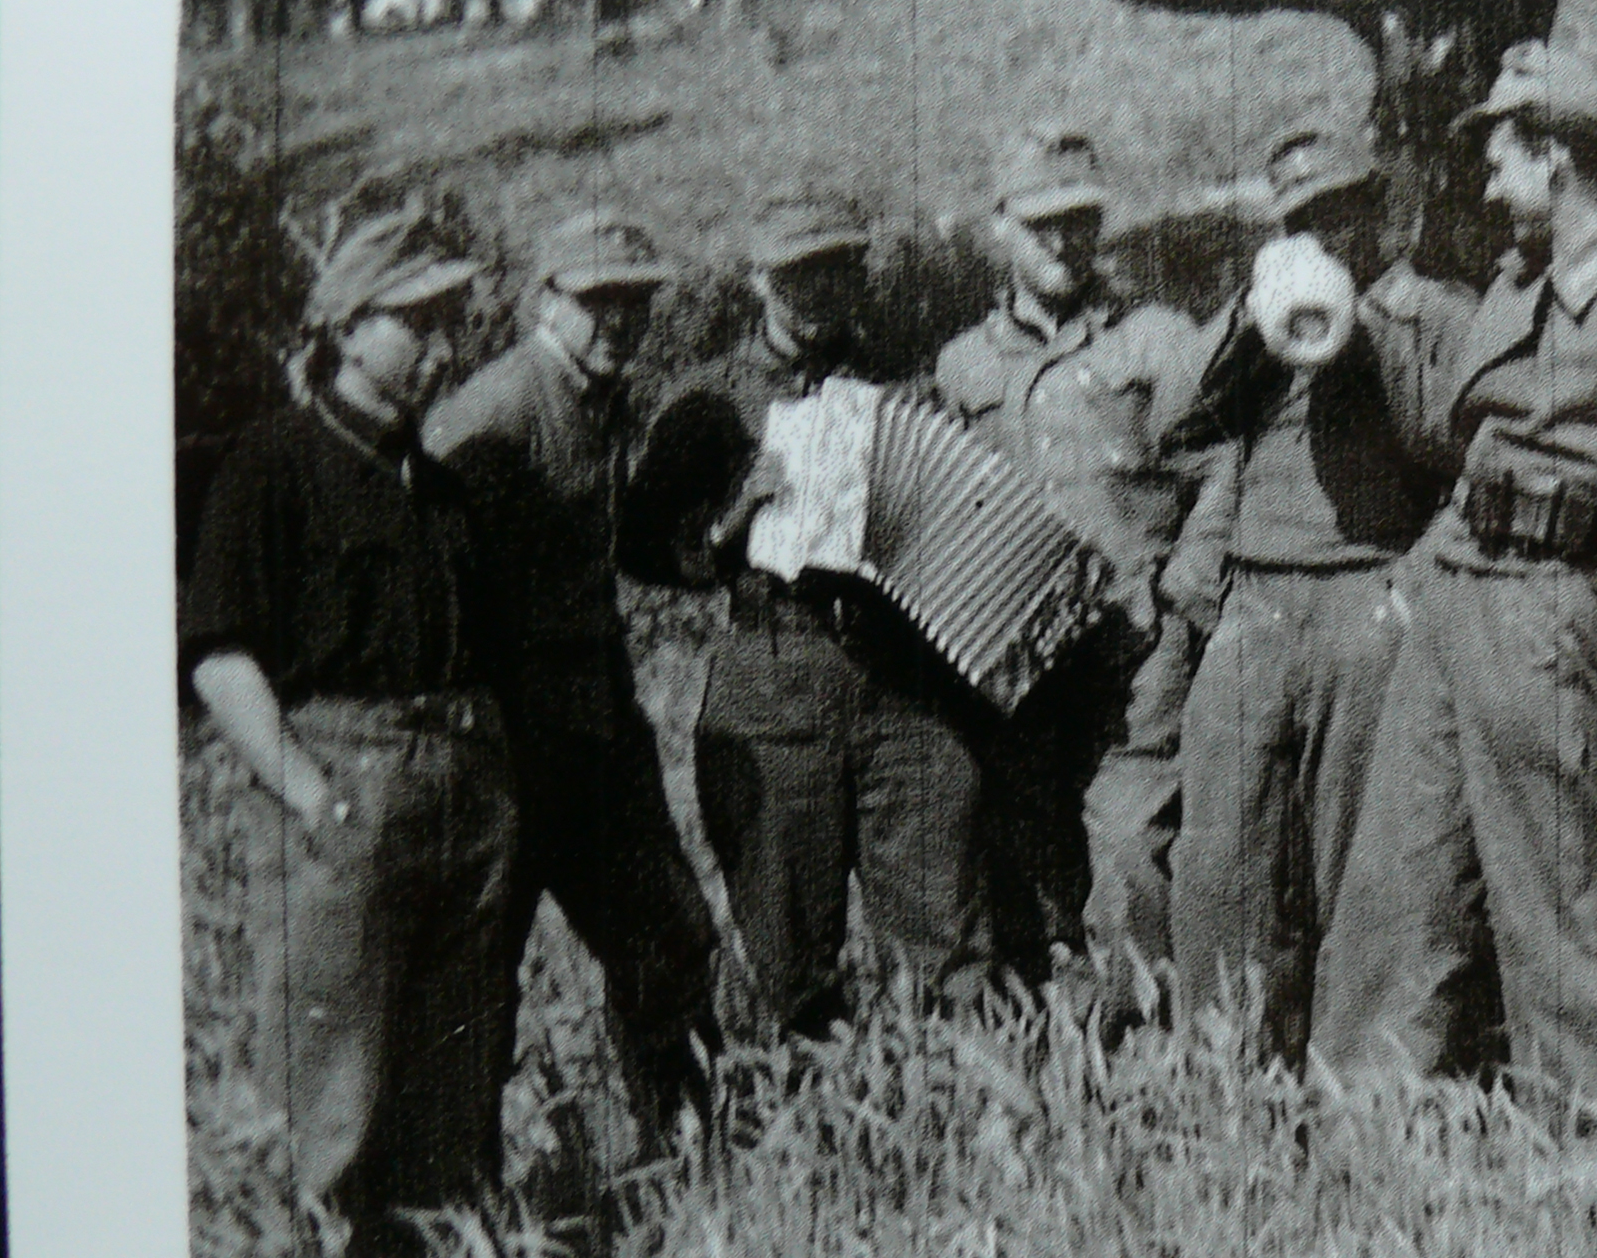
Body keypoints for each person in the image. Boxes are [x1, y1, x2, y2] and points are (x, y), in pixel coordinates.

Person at [1308, 44, 1597, 1113]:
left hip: (1553, 604)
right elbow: (1479, 452)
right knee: (1400, 876)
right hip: (1462, 589)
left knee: (1559, 897)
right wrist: (1424, 577)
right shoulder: (1517, 286)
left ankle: (1591, 1146)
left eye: (1502, 161)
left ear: (1555, 157)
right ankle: (1364, 1127)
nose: (1487, 186)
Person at [181, 201, 518, 1258]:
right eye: (418, 320)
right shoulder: (271, 465)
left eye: (452, 318)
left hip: (465, 792)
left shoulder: (442, 486)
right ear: (348, 326)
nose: (443, 343)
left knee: (455, 1083)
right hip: (342, 793)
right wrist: (314, 798)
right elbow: (221, 659)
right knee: (328, 1092)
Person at [618, 192, 989, 1039]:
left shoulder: (900, 374)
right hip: (776, 675)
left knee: (949, 931)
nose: (821, 290)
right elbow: (640, 546)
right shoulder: (707, 399)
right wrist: (732, 521)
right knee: (790, 952)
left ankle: (972, 1098)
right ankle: (828, 1100)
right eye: (799, 274)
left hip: (903, 673)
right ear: (759, 280)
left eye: (837, 270)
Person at [1160, 125, 1475, 1061]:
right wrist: (1246, 319)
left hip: (1367, 596)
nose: (1326, 233)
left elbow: (1470, 459)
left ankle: (1358, 1085)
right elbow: (1172, 427)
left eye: (1341, 210)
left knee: (1365, 858)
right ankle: (1231, 1071)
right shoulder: (1263, 319)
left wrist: (1412, 586)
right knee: (1224, 854)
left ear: (1377, 210)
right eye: (1302, 219)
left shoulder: (1433, 314)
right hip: (1256, 603)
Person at [422, 210, 719, 1158]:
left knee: (668, 938)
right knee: (478, 980)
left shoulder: (607, 400)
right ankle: (463, 1194)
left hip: (598, 735)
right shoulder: (491, 414)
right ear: (544, 301)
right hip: (506, 750)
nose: (621, 321)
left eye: (636, 301)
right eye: (598, 300)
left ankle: (690, 1149)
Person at [930, 129, 1219, 974]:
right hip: (1017, 663)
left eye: (1080, 220)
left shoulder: (1156, 339)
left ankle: (1140, 1032)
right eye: (1041, 224)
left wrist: (1181, 584)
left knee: (1131, 845)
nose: (1063, 241)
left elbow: (1221, 467)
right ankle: (1062, 1026)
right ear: (1000, 228)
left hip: (1137, 649)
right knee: (1029, 847)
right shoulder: (962, 366)